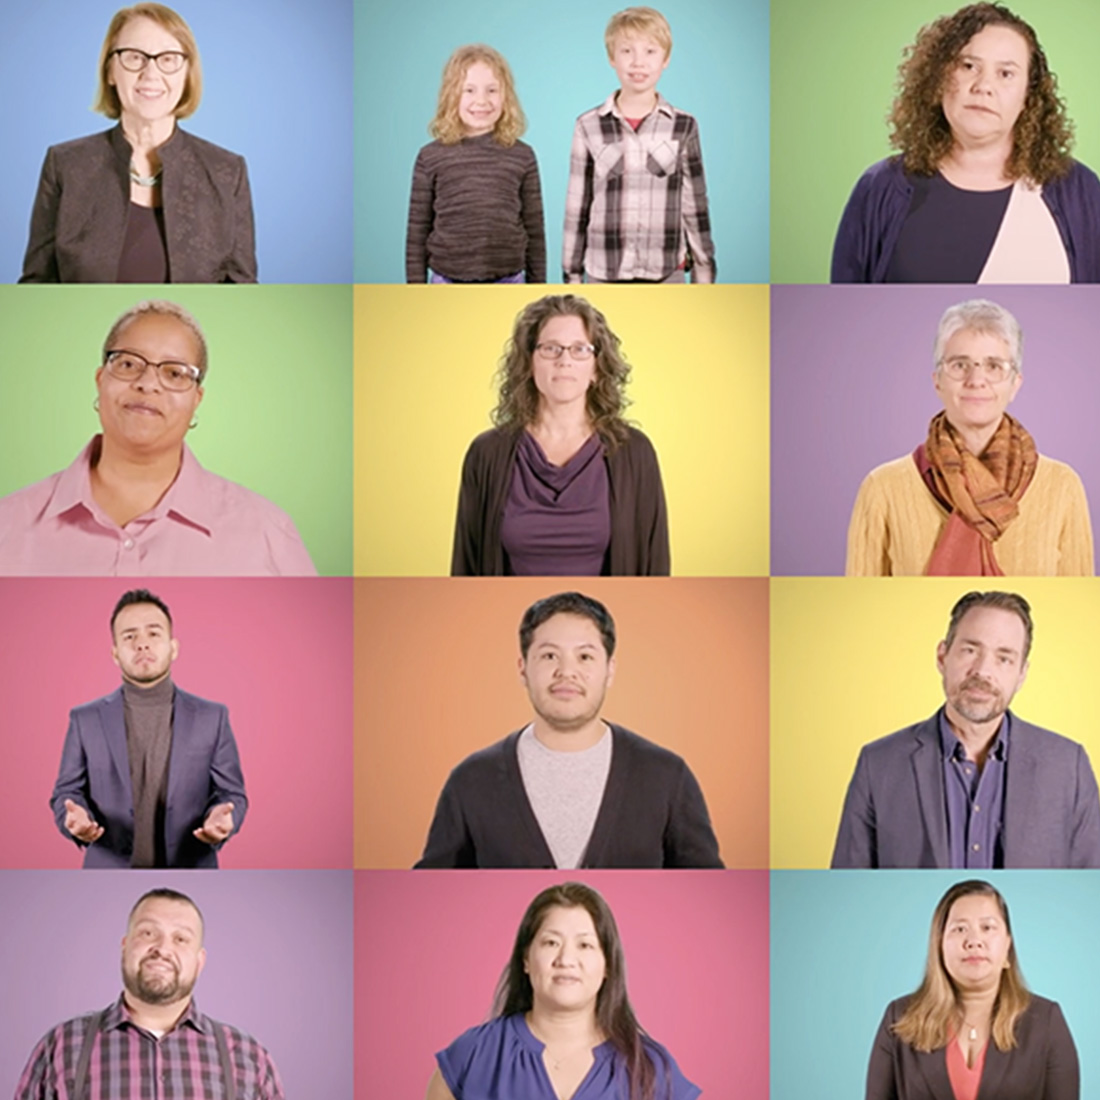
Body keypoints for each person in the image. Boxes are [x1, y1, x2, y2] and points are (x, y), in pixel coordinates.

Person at [0, 299, 316, 575]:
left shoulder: (266, 532)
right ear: (100, 380)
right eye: (127, 363)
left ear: (196, 398)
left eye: (174, 373)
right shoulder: (10, 523)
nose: (148, 383)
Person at [416, 592, 722, 868]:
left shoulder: (666, 776)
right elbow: (429, 896)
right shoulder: (471, 780)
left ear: (610, 670)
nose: (567, 672)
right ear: (523, 668)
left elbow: (709, 894)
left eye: (585, 656)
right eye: (549, 656)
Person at [832, 3, 1100, 284]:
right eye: (968, 66)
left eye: (1005, 73)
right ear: (939, 78)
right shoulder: (880, 187)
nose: (983, 86)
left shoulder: (1080, 191)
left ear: (1028, 98)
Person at [832, 590, 1100, 869]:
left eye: (1004, 658)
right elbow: (846, 884)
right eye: (970, 650)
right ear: (942, 656)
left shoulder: (1069, 766)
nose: (983, 671)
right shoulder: (878, 764)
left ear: (1022, 674)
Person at [846, 299, 1093, 576]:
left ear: (1015, 384)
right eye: (960, 364)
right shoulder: (882, 488)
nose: (976, 379)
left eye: (994, 366)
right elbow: (863, 606)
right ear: (937, 380)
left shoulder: (1062, 486)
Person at [20, 3, 255, 284]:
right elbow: (36, 288)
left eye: (168, 59)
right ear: (110, 72)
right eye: (134, 57)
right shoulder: (65, 165)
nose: (151, 73)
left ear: (186, 74)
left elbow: (242, 293)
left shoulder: (227, 172)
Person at [452, 294, 669, 576]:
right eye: (551, 348)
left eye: (580, 349)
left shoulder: (634, 452)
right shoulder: (487, 453)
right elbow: (466, 565)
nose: (564, 360)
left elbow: (655, 564)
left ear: (597, 368)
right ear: (529, 363)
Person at [426, 881, 702, 1100]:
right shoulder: (472, 1054)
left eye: (585, 945)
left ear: (608, 965)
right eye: (550, 943)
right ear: (525, 959)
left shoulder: (651, 1068)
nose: (566, 960)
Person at [15, 887, 285, 1100]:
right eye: (148, 933)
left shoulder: (249, 1057)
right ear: (125, 945)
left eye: (180, 939)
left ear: (199, 961)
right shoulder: (62, 1046)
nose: (162, 948)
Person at [50, 589, 246, 869]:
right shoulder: (85, 719)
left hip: (192, 866)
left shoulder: (212, 717)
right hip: (107, 871)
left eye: (153, 634)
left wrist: (224, 817)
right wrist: (73, 819)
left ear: (173, 647)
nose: (142, 644)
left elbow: (232, 794)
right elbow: (67, 792)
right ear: (115, 653)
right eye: (129, 637)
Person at [866, 880, 1079, 1100]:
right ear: (939, 945)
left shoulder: (1047, 1021)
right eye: (960, 929)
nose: (974, 941)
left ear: (1008, 946)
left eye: (987, 928)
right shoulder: (899, 1017)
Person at [563, 6, 715, 283]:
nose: (638, 62)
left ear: (665, 58)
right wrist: (572, 274)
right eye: (626, 51)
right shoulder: (588, 125)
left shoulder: (683, 126)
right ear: (612, 57)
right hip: (603, 271)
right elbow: (577, 205)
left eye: (650, 51)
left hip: (666, 271)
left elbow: (694, 205)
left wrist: (704, 270)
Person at [406, 44, 545, 283]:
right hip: (446, 281)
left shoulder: (523, 156)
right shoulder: (430, 157)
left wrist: (537, 288)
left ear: (506, 96)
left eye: (492, 90)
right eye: (469, 90)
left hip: (509, 281)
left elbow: (535, 231)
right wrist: (415, 291)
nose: (481, 101)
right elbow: (417, 232)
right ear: (451, 96)